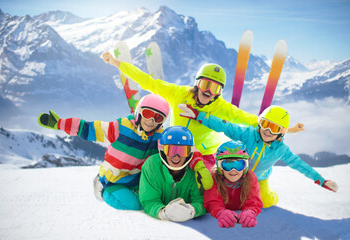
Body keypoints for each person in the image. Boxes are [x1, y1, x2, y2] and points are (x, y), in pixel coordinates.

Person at [102, 51, 261, 171]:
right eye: (206, 85)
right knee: (155, 169)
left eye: (215, 89)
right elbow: (148, 82)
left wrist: (274, 126)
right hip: (175, 147)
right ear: (197, 83)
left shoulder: (221, 107)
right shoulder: (178, 93)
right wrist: (117, 63)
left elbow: (246, 118)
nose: (208, 92)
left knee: (200, 182)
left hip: (204, 154)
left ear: (219, 92)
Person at [179, 104, 338, 208]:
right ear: (260, 122)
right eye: (266, 124)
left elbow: (299, 164)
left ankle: (272, 196)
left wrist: (321, 180)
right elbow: (225, 126)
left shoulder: (280, 149)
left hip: (258, 177)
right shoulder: (248, 134)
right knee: (213, 195)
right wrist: (198, 115)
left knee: (264, 202)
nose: (268, 131)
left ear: (281, 133)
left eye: (274, 128)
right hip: (232, 170)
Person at [38, 94, 171, 210]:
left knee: (152, 200)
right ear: (139, 112)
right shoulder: (121, 127)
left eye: (158, 118)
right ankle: (102, 190)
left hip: (136, 180)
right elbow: (89, 128)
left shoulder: (158, 137)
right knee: (134, 205)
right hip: (114, 179)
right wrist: (60, 123)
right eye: (148, 114)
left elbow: (172, 151)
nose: (151, 120)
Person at [139, 126, 206, 222]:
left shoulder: (195, 170)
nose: (176, 157)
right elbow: (149, 200)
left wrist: (192, 210)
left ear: (190, 152)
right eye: (171, 150)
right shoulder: (151, 165)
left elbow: (201, 201)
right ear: (162, 150)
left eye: (182, 151)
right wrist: (163, 213)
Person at [204, 140, 262, 228]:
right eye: (227, 165)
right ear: (219, 166)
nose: (233, 170)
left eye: (239, 164)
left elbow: (253, 200)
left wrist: (250, 211)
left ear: (245, 166)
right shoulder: (214, 178)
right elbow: (212, 201)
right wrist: (220, 212)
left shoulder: (250, 177)